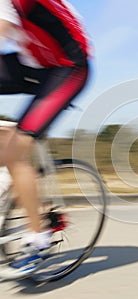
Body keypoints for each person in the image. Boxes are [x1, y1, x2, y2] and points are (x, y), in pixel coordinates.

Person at [0, 0, 90, 275]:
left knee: (14, 150)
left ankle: (39, 240)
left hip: (68, 68)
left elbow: (3, 26)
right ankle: (11, 178)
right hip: (35, 64)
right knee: (9, 149)